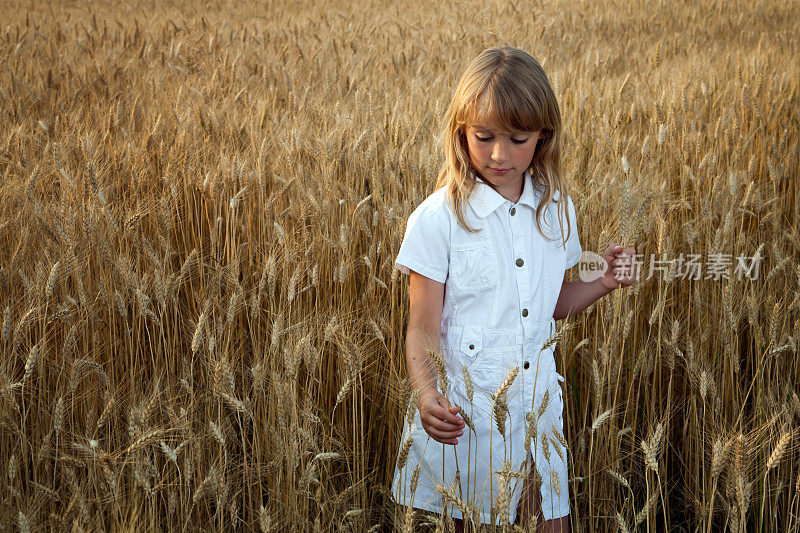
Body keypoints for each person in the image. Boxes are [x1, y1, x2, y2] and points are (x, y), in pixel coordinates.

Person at [389, 47, 637, 532]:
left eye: (517, 139)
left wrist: (603, 281)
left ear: (543, 137)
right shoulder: (438, 221)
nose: (499, 154)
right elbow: (421, 328)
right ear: (461, 132)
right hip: (466, 419)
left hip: (537, 411)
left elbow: (553, 305)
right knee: (467, 519)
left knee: (549, 522)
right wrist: (425, 394)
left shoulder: (557, 210)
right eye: (483, 137)